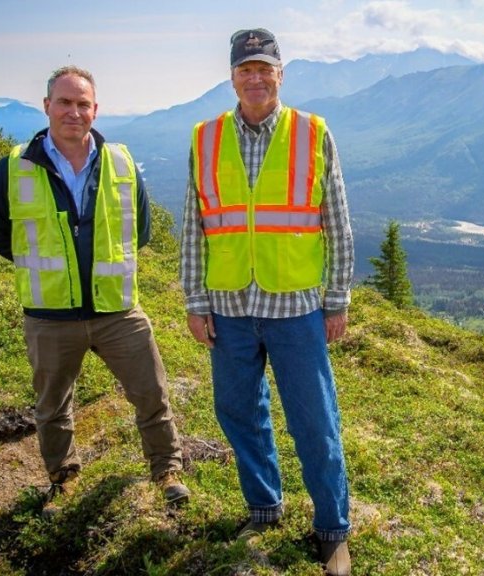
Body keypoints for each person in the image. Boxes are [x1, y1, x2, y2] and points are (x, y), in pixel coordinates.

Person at [180, 29, 354, 576]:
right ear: (232, 76)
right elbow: (194, 226)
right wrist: (194, 299)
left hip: (296, 306)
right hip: (228, 304)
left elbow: (337, 223)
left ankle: (332, 530)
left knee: (314, 420)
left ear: (280, 73)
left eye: (264, 68)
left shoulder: (312, 132)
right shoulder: (204, 136)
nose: (255, 78)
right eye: (245, 69)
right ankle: (263, 507)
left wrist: (337, 298)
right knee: (237, 411)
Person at [0, 65, 190, 517]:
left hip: (117, 309)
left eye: (83, 104)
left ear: (95, 110)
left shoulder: (121, 162)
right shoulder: (14, 168)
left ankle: (167, 471)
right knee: (52, 405)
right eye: (64, 102)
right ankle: (63, 479)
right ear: (47, 107)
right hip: (50, 313)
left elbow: (141, 229)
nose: (73, 112)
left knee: (151, 392)